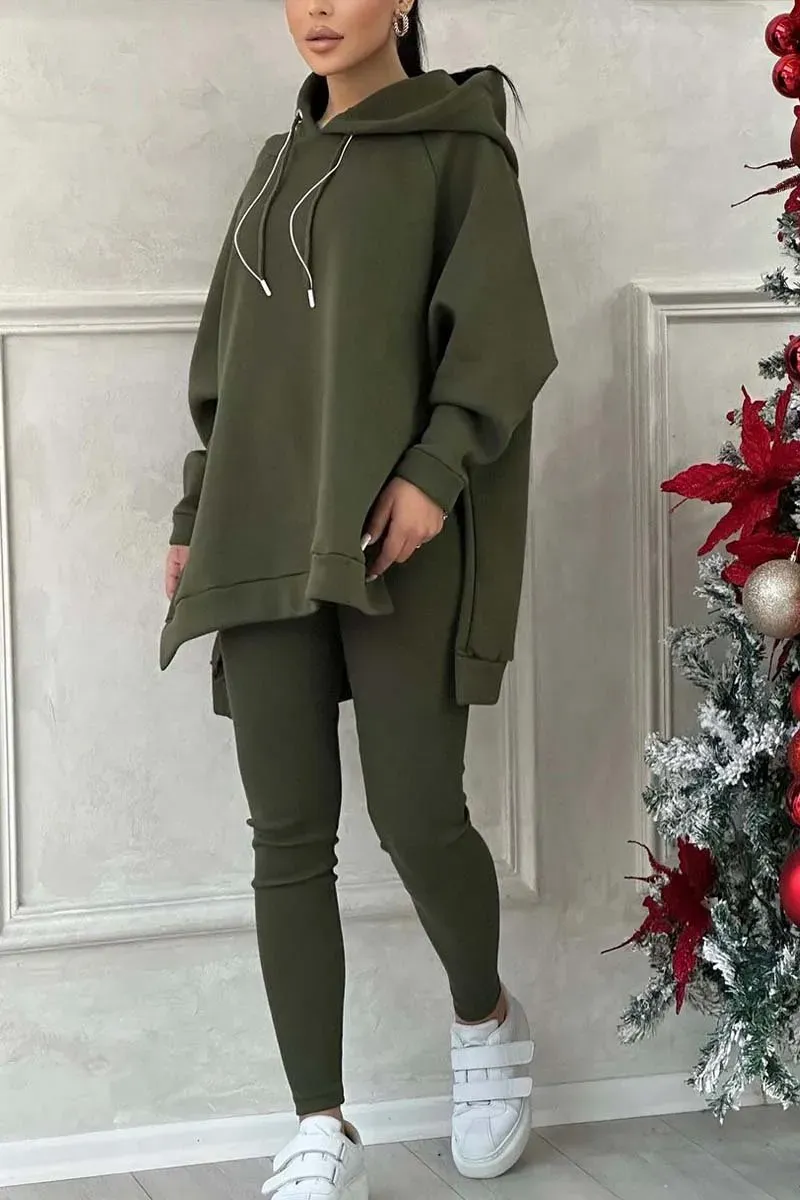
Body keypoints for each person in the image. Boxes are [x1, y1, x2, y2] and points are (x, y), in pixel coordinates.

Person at [161, 0, 556, 1195]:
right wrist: (193, 516)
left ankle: (485, 1020)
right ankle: (319, 1127)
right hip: (261, 530)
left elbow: (499, 338)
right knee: (286, 833)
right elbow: (228, 377)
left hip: (402, 534)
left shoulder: (457, 148)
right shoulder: (272, 167)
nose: (318, 9)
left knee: (415, 810)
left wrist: (433, 471)